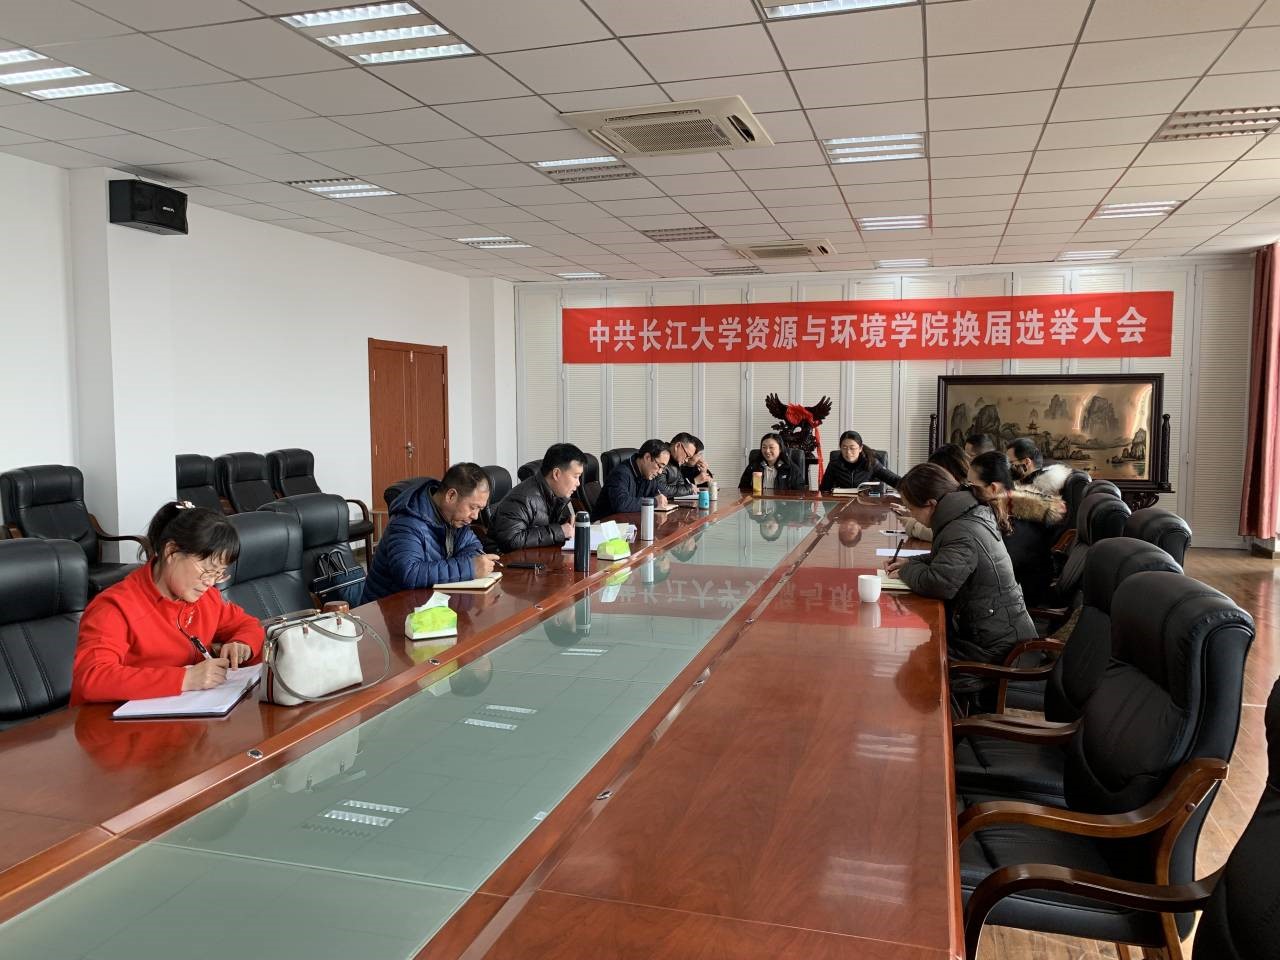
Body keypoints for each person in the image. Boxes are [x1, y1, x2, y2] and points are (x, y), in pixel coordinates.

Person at [71, 502, 264, 704]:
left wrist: (242, 644)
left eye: (219, 573)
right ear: (171, 551)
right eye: (207, 570)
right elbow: (92, 677)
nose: (210, 582)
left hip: (186, 712)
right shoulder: (115, 607)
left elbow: (249, 625)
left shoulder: (206, 598)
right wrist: (185, 679)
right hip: (114, 719)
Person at [885, 463, 1036, 717]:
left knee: (931, 665)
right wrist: (910, 564)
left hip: (995, 647)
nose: (911, 514)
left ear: (931, 504)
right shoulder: (966, 513)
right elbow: (943, 561)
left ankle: (953, 731)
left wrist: (906, 570)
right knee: (927, 650)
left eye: (911, 509)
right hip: (994, 629)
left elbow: (939, 583)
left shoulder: (961, 529)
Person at [362, 462, 499, 603]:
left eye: (480, 509)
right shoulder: (407, 521)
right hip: (385, 608)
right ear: (451, 496)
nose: (475, 516)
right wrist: (469, 567)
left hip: (427, 602)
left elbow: (472, 546)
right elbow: (408, 573)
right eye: (473, 507)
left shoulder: (455, 518)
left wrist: (470, 565)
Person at [968, 451, 1067, 606]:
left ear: (993, 488)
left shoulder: (1011, 521)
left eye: (971, 486)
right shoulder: (1021, 508)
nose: (967, 491)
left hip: (1017, 599)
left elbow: (996, 572)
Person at [489, 443, 584, 551]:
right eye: (576, 477)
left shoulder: (558, 494)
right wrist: (559, 531)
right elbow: (512, 540)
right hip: (507, 559)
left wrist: (566, 522)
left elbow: (545, 523)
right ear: (556, 474)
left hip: (536, 555)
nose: (578, 483)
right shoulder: (522, 499)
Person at [893, 444, 971, 541]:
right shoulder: (961, 498)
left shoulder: (964, 506)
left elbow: (948, 533)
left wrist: (912, 524)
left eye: (935, 474)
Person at [593, 439, 670, 518]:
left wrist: (660, 497)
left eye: (663, 468)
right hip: (606, 523)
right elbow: (621, 504)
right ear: (647, 457)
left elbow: (661, 491)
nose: (660, 472)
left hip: (629, 521)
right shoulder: (620, 473)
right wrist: (654, 501)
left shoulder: (648, 474)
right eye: (659, 466)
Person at [820, 430, 901, 492]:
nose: (848, 452)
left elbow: (895, 480)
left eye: (852, 448)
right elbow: (824, 490)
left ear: (860, 448)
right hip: (841, 504)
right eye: (844, 448)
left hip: (866, 504)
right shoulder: (834, 464)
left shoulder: (871, 463)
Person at [738, 432, 805, 491]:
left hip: (782, 502)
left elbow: (799, 494)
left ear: (780, 449)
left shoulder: (791, 469)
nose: (767, 451)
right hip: (758, 501)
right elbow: (742, 491)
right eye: (764, 447)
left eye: (771, 447)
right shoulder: (753, 467)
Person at [1006, 437, 1071, 495]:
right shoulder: (1019, 486)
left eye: (1010, 462)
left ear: (1026, 462)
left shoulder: (1044, 493)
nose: (1007, 466)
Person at [660, 432, 712, 497]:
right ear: (677, 446)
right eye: (687, 455)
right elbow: (662, 490)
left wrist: (689, 487)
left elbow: (681, 486)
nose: (687, 460)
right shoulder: (662, 457)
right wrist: (689, 488)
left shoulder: (676, 462)